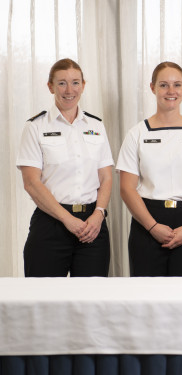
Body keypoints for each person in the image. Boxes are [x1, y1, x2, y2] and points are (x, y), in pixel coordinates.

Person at [117, 61, 182, 277]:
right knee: (146, 299)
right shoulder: (137, 134)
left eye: (177, 85)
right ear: (152, 88)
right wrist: (152, 227)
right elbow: (127, 188)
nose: (171, 91)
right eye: (163, 85)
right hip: (147, 221)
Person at [16, 58, 113, 277]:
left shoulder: (96, 126)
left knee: (91, 302)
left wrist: (99, 214)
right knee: (43, 302)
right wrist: (67, 220)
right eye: (61, 83)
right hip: (51, 223)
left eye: (75, 82)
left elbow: (106, 177)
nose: (69, 90)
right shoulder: (36, 127)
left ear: (83, 85)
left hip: (92, 225)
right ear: (50, 86)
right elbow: (31, 183)